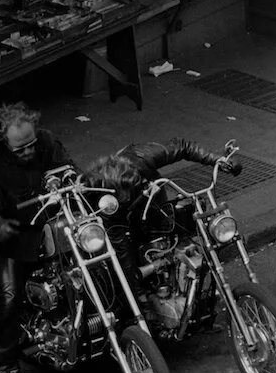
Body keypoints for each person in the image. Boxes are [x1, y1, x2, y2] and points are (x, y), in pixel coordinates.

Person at [0, 101, 75, 373]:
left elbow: (68, 168)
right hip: (16, 243)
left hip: (55, 228)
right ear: (2, 141)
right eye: (21, 150)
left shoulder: (46, 142)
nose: (29, 152)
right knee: (9, 301)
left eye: (31, 145)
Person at [86, 138, 236, 324]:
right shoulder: (99, 190)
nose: (132, 194)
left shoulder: (141, 156)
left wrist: (218, 160)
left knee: (179, 230)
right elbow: (122, 253)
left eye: (136, 186)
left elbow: (183, 147)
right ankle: (138, 317)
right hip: (117, 221)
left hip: (153, 203)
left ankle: (190, 287)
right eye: (127, 193)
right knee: (125, 269)